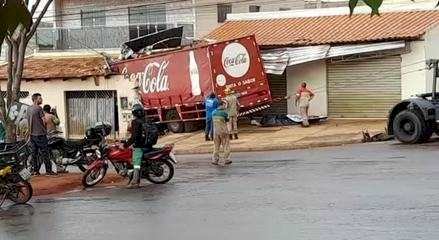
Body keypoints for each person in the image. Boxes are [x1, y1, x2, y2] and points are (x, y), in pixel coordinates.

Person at [26, 93, 55, 175]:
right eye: (39, 98)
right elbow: (44, 120)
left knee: (34, 154)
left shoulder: (28, 109)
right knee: (45, 153)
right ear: (35, 100)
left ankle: (36, 171)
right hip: (40, 134)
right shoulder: (39, 108)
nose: (41, 100)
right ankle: (48, 171)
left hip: (32, 135)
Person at [125, 104, 148, 188]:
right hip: (147, 144)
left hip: (139, 146)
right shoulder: (144, 120)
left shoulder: (135, 122)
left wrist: (125, 145)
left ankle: (135, 183)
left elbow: (134, 137)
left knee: (136, 164)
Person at [211, 101, 231, 165]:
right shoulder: (224, 113)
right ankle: (226, 159)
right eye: (224, 105)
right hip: (223, 131)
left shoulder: (213, 112)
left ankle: (215, 160)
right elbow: (228, 121)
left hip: (215, 132)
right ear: (221, 105)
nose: (225, 106)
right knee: (226, 145)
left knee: (216, 146)